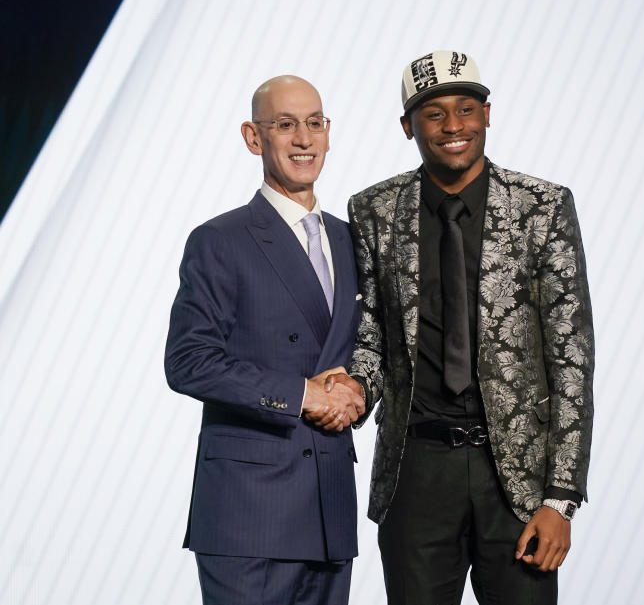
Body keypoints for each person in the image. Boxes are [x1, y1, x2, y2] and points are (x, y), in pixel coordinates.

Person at [335, 50, 594, 604]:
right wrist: (353, 389)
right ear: (408, 126)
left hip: (518, 483)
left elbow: (571, 357)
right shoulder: (374, 210)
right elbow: (373, 333)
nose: (453, 126)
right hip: (417, 468)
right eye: (434, 114)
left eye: (466, 108)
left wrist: (560, 499)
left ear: (487, 113)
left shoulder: (541, 207)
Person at [164, 75, 364, 605]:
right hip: (249, 512)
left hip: (329, 506)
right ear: (254, 138)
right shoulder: (219, 240)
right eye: (285, 125)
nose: (303, 139)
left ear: (329, 133)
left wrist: (359, 389)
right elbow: (189, 361)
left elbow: (367, 348)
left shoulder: (351, 241)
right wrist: (304, 394)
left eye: (314, 123)